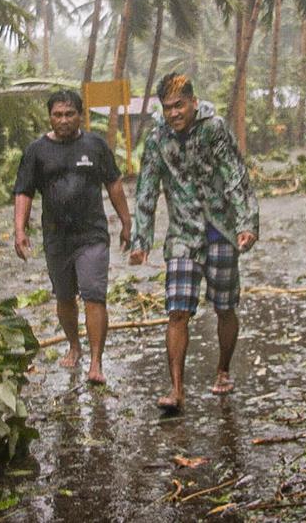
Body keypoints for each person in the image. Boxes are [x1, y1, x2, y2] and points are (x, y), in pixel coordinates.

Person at [129, 73, 259, 412]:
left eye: (179, 105)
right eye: (168, 108)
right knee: (177, 311)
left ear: (193, 102)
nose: (174, 113)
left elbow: (235, 175)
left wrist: (247, 223)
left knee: (224, 307)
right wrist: (140, 239)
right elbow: (146, 187)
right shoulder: (158, 139)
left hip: (220, 230)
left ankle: (223, 369)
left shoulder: (213, 128)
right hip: (183, 235)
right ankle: (176, 389)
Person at [13, 90, 132, 385]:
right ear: (50, 117)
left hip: (92, 235)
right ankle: (74, 345)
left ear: (80, 115)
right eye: (57, 115)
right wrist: (19, 229)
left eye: (69, 114)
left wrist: (127, 222)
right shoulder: (36, 151)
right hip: (56, 237)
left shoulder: (95, 145)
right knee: (65, 298)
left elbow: (114, 184)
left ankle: (95, 362)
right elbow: (24, 191)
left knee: (94, 294)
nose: (63, 120)